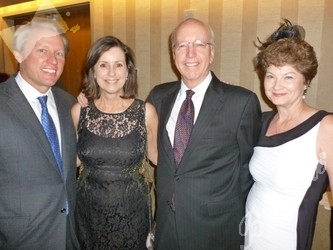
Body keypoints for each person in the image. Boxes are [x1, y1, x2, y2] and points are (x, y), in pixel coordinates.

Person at [145, 18, 262, 250]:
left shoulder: (240, 102)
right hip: (167, 225)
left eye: (199, 44)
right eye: (182, 45)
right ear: (173, 53)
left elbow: (247, 169)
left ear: (212, 53)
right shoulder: (158, 97)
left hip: (215, 228)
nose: (190, 53)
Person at [245, 19, 333, 250]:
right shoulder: (261, 120)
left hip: (287, 240)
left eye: (289, 76)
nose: (276, 85)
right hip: (250, 235)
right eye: (271, 75)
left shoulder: (326, 126)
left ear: (306, 81)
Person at [71, 36, 158, 249]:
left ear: (128, 71)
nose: (111, 73)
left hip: (132, 212)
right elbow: (72, 163)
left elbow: (159, 157)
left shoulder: (145, 112)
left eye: (118, 65)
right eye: (103, 65)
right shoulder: (78, 112)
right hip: (88, 211)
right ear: (93, 71)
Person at [0, 17, 79, 249]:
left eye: (59, 53)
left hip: (68, 235)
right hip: (18, 239)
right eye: (42, 50)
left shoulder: (69, 104)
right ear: (18, 54)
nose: (53, 60)